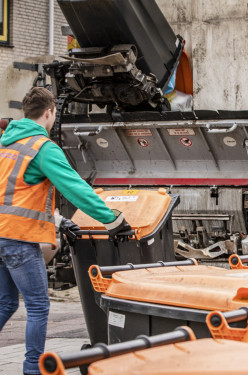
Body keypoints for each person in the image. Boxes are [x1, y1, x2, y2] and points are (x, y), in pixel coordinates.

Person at [0, 87, 130, 375]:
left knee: (6, 302)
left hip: (1, 236)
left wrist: (58, 222)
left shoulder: (5, 146)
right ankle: (33, 369)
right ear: (49, 113)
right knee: (37, 306)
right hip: (19, 238)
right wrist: (112, 220)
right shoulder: (41, 148)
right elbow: (75, 188)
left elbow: (13, 196)